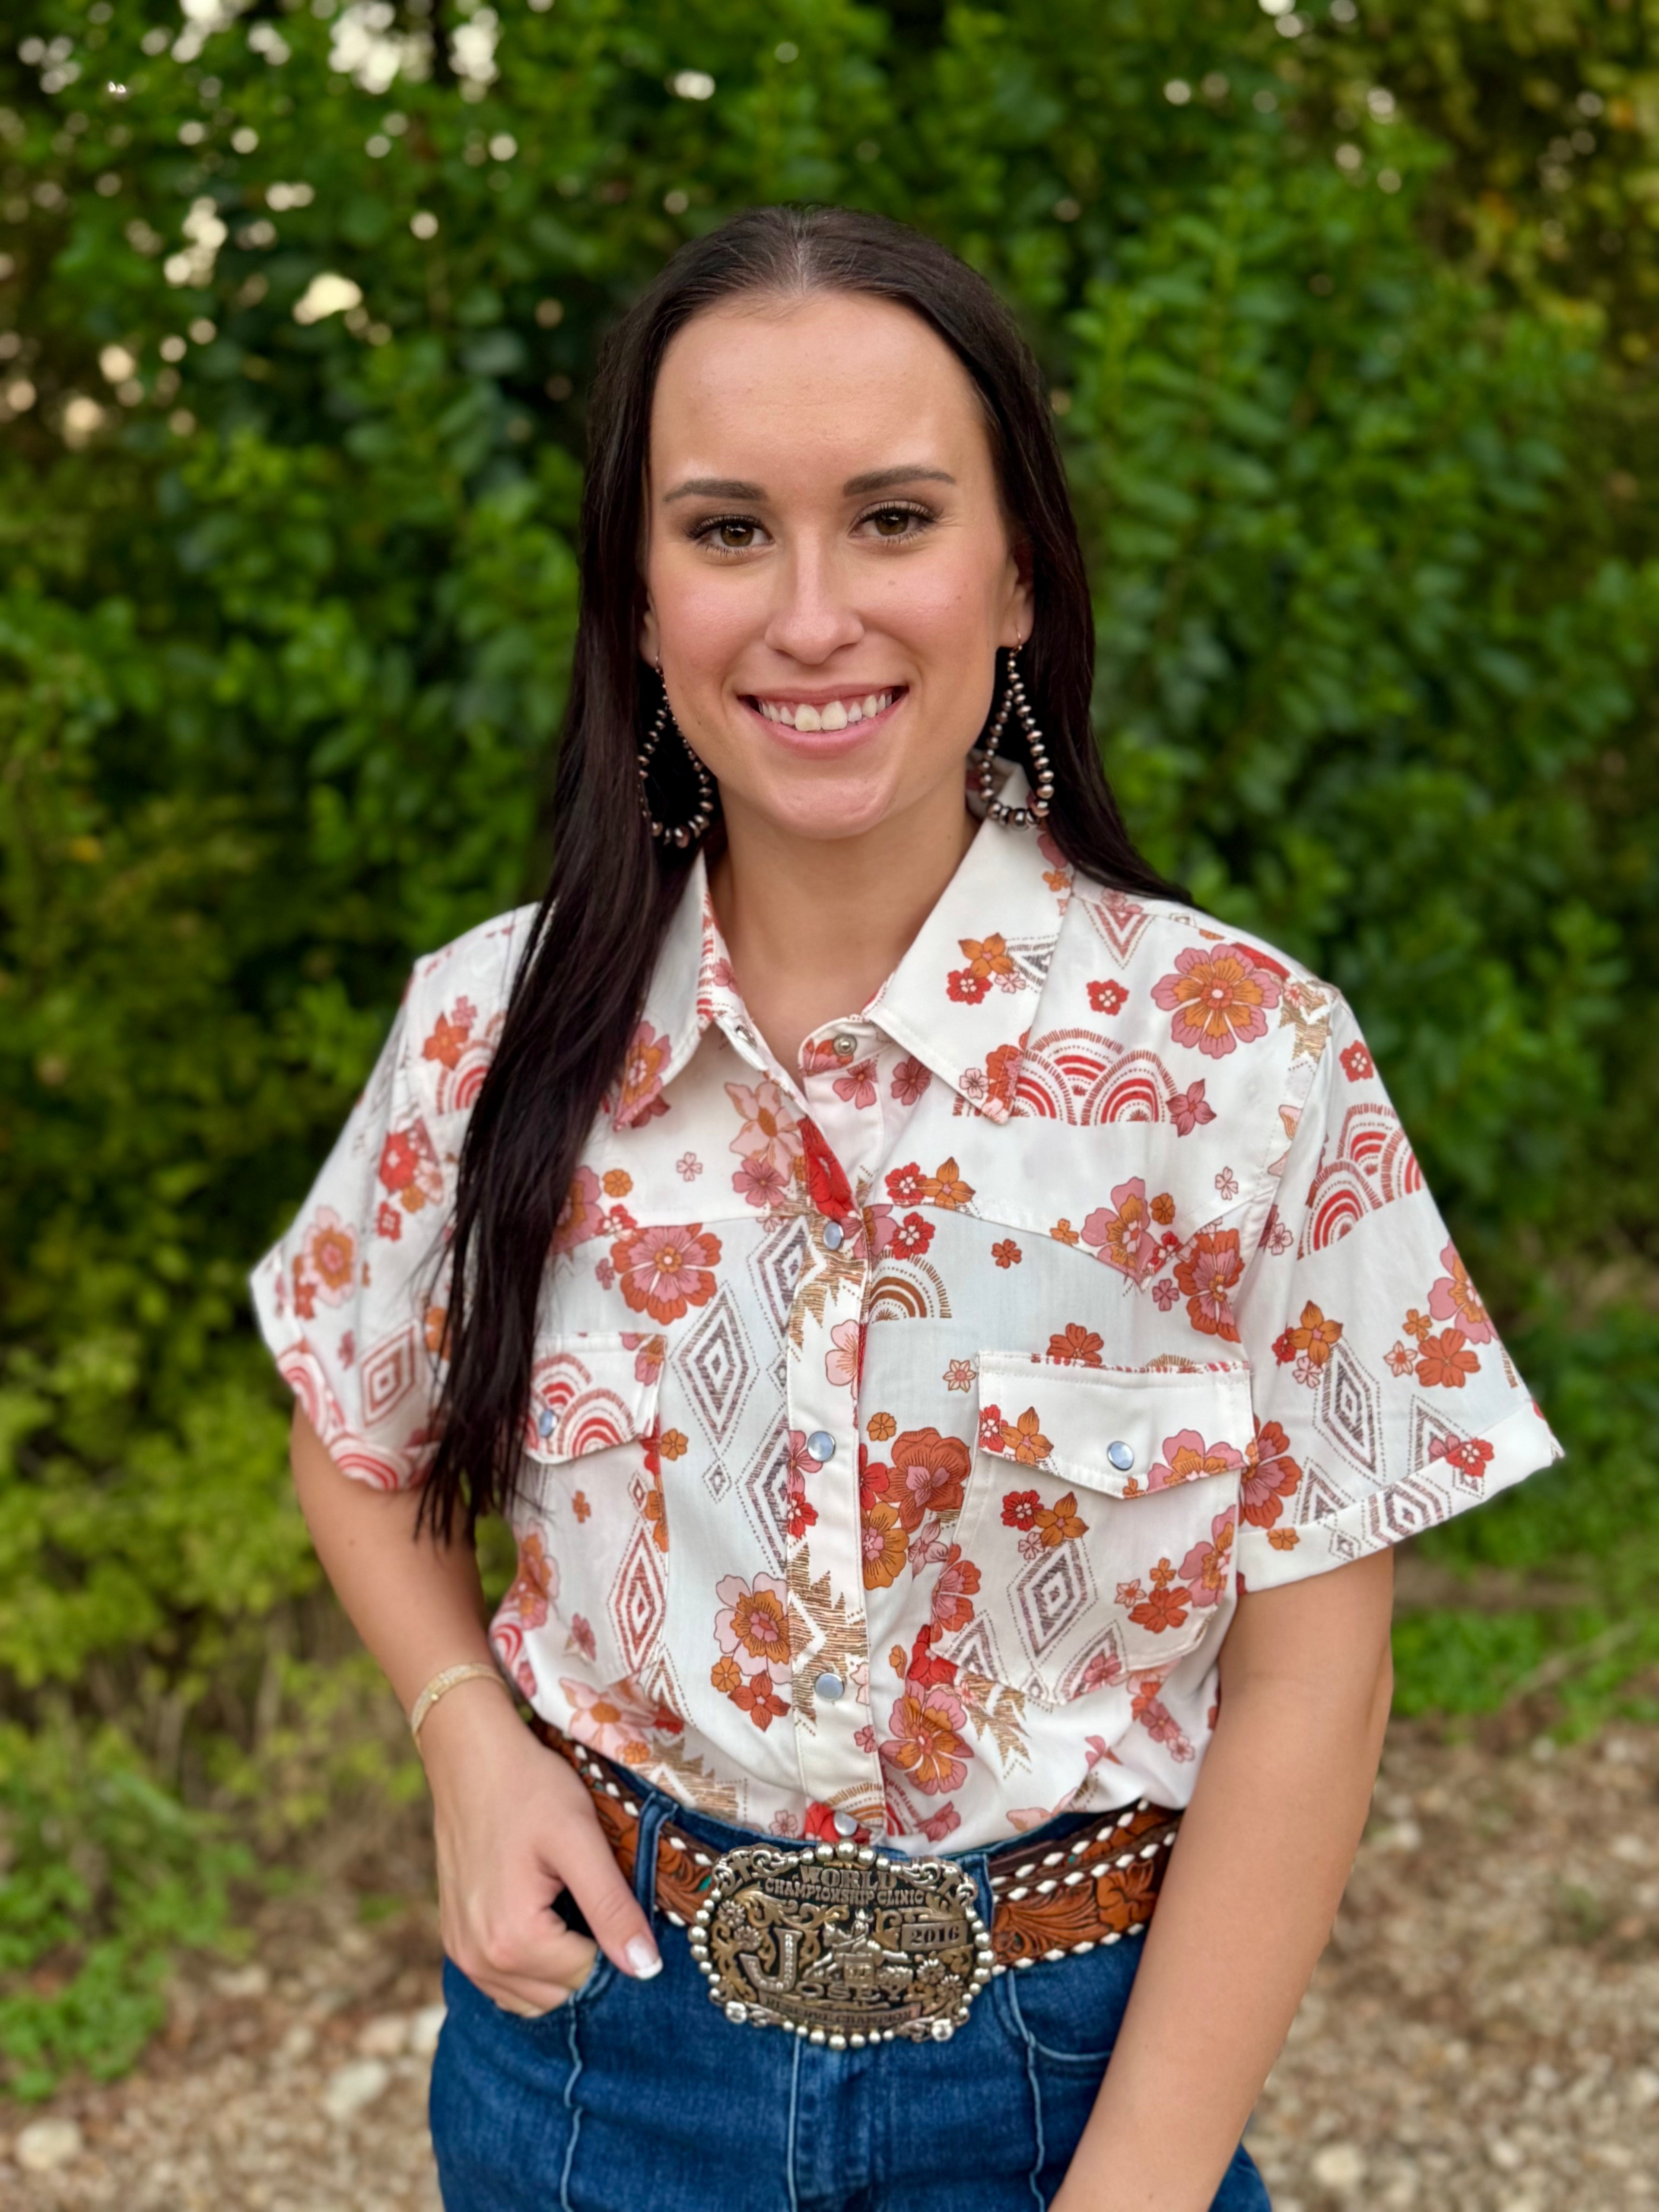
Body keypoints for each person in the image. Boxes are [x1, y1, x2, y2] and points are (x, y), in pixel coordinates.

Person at [252, 205, 1561, 2211]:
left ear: (1016, 566)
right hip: (596, 2065)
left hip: (1072, 2082)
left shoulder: (1243, 1059)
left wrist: (1132, 2188)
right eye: (725, 529)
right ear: (636, 594)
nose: (810, 615)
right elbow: (355, 1439)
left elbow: (1319, 1674)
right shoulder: (484, 1032)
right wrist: (465, 1732)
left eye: (890, 518)